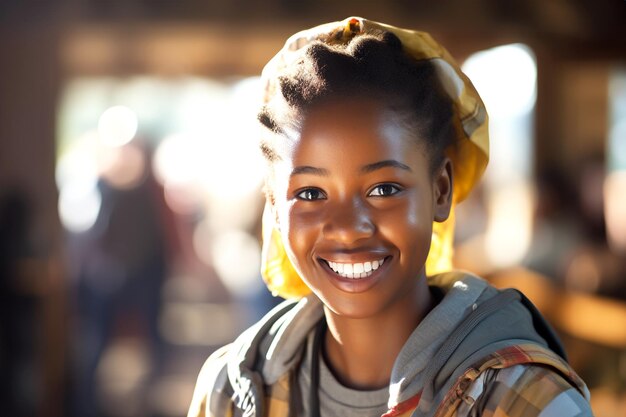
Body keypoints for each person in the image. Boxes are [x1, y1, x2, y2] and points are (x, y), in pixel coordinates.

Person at [187, 17, 593, 417]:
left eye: (384, 189)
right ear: (274, 208)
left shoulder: (525, 401)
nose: (347, 227)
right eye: (311, 193)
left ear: (441, 191)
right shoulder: (231, 391)